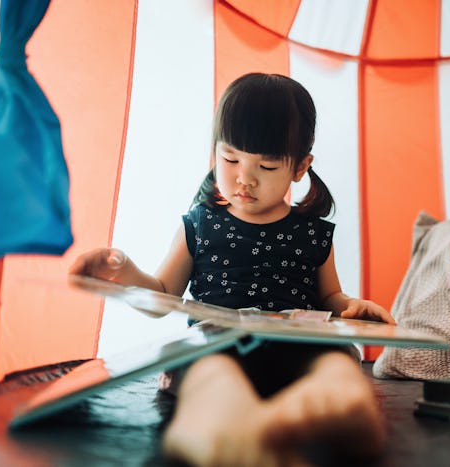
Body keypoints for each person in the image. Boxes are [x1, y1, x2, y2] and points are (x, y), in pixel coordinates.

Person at [69, 73, 394, 466]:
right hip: (217, 345)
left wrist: (353, 308)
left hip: (303, 346)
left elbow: (329, 297)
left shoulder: (313, 233)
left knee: (340, 370)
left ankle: (311, 415)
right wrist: (125, 273)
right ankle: (228, 434)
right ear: (215, 152)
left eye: (267, 166)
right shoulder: (200, 224)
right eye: (230, 158)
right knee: (211, 377)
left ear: (300, 167)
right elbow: (162, 297)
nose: (245, 177)